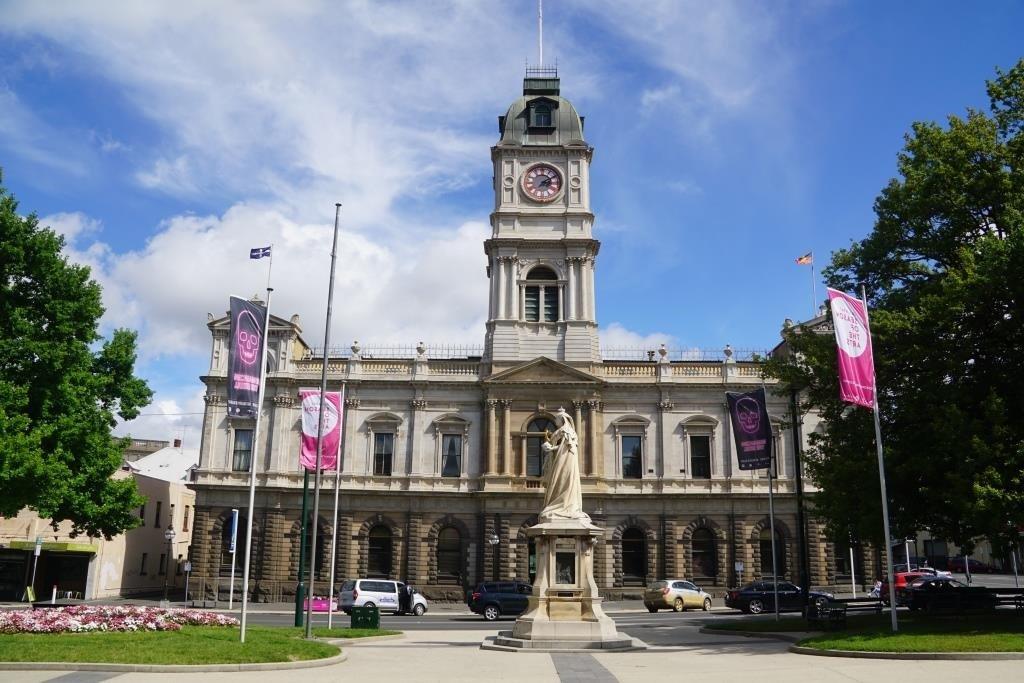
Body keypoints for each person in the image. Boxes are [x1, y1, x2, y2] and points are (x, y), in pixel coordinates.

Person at [539, 407, 591, 523]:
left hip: (563, 460)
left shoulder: (564, 430)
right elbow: (565, 445)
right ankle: (563, 504)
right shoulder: (568, 431)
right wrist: (551, 447)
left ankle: (562, 505)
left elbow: (565, 446)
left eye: (556, 419)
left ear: (561, 419)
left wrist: (550, 448)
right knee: (563, 481)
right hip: (565, 459)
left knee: (560, 480)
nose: (555, 422)